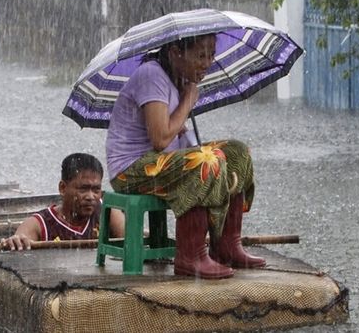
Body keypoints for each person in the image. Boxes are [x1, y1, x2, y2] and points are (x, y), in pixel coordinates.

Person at [105, 33, 265, 279]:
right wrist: (188, 100)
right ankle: (190, 256)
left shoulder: (177, 79)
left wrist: (184, 98)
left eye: (211, 55)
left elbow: (176, 136)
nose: (207, 63)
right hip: (131, 170)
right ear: (175, 53)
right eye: (200, 56)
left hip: (162, 162)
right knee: (204, 160)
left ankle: (226, 245)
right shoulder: (151, 75)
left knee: (236, 152)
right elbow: (160, 139)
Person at [1, 153, 125, 250]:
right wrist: (15, 242)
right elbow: (19, 242)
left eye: (96, 189)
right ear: (63, 188)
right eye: (83, 189)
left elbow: (130, 241)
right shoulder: (38, 224)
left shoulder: (107, 211)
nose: (90, 196)